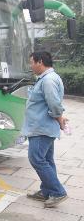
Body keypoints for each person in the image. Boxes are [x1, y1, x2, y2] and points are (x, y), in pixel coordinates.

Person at [23, 51, 68, 208]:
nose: (31, 66)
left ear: (39, 62)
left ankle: (58, 191)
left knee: (36, 158)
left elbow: (54, 105)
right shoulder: (47, 78)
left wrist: (60, 120)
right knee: (47, 160)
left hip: (42, 128)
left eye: (31, 63)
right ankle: (47, 190)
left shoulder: (48, 80)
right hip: (42, 127)